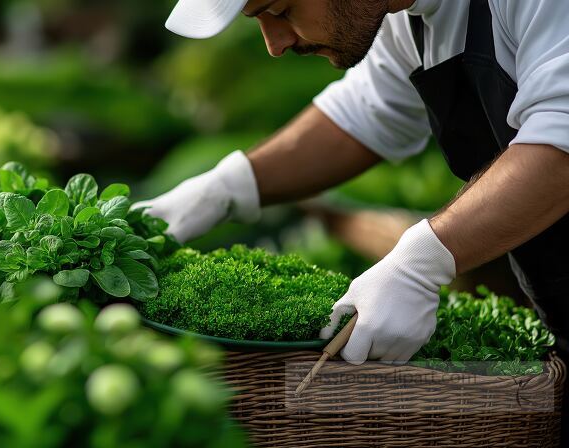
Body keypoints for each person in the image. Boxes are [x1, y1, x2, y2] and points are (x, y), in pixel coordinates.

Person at [140, 0, 569, 368]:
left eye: (280, 10)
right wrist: (224, 189)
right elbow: (367, 113)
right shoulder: (405, 17)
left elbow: (561, 141)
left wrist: (420, 263)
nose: (275, 44)